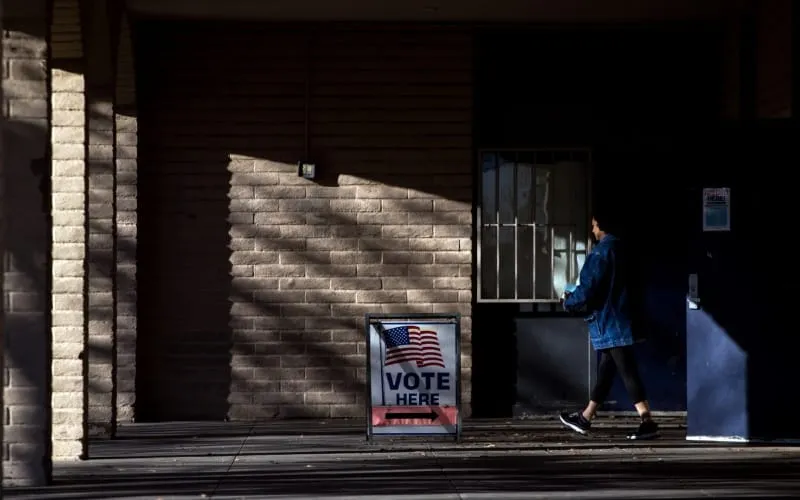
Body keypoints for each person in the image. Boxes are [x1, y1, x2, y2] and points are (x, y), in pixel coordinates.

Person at [559, 212, 659, 440]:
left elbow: (587, 289)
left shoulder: (601, 254)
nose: (593, 231)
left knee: (626, 369)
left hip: (610, 321)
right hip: (624, 317)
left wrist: (568, 301)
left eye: (594, 226)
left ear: (602, 227)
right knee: (608, 368)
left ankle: (647, 420)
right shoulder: (625, 250)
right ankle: (586, 417)